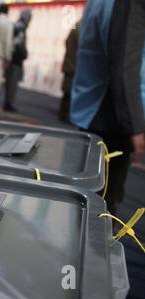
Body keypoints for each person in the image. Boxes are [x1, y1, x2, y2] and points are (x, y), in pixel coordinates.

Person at [71, 0, 145, 213]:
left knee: (88, 197)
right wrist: (135, 126)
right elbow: (125, 65)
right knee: (102, 205)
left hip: (94, 108)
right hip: (112, 113)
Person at [4, 8, 31, 112]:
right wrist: (23, 54)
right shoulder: (20, 27)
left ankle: (9, 102)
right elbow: (17, 44)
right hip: (15, 60)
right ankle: (8, 103)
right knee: (11, 82)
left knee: (12, 83)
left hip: (16, 59)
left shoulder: (19, 27)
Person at [59, 20, 81, 123]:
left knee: (67, 92)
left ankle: (63, 113)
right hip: (75, 65)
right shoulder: (81, 28)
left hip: (69, 62)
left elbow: (67, 41)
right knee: (71, 92)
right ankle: (66, 115)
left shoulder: (75, 26)